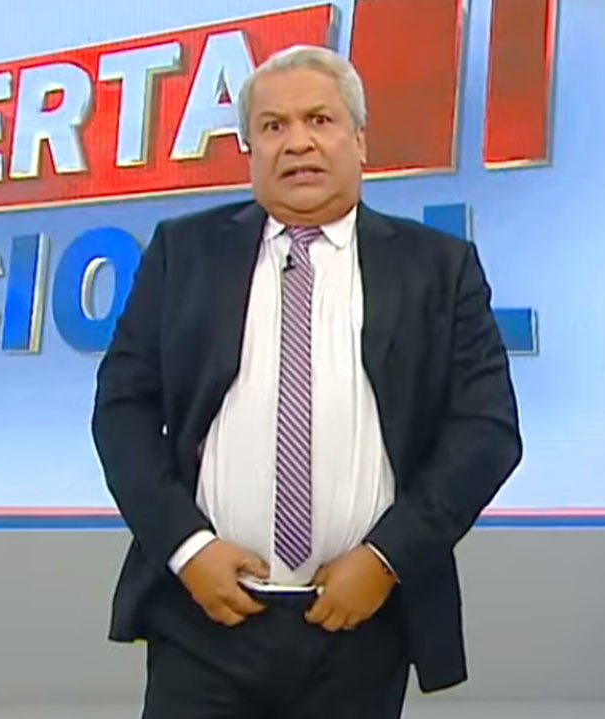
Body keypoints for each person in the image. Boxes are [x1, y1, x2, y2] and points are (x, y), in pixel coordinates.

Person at [92, 44, 522, 719]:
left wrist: (385, 559)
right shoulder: (184, 252)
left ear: (360, 140)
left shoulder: (438, 268)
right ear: (250, 150)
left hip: (361, 622)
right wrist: (187, 548)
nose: (297, 143)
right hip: (202, 620)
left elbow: (486, 431)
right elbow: (123, 411)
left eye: (319, 120)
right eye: (273, 126)